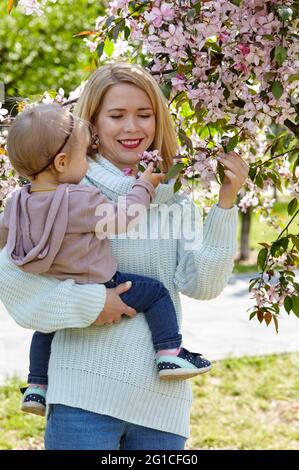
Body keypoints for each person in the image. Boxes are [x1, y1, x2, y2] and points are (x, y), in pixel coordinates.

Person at [0, 63, 248, 450]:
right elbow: (16, 286)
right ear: (92, 125)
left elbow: (204, 285)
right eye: (117, 116)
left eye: (144, 114)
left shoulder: (174, 200)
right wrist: (94, 302)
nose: (132, 127)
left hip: (160, 407)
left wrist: (225, 204)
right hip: (81, 398)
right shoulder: (63, 192)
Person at [0, 103, 212, 417]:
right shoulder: (78, 199)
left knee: (47, 330)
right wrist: (144, 186)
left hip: (60, 282)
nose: (87, 163)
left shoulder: (17, 201)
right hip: (103, 282)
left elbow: (5, 238)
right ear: (61, 162)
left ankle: (37, 385)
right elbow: (123, 218)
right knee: (155, 293)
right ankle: (169, 351)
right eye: (83, 155)